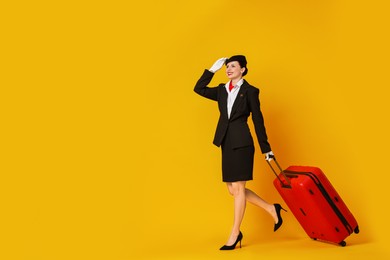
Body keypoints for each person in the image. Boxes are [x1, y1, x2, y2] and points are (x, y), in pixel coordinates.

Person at [193, 55, 286, 250]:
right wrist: (212, 69)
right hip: (226, 143)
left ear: (243, 69)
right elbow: (198, 89)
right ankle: (271, 208)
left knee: (239, 189)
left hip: (242, 143)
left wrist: (266, 148)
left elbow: (258, 121)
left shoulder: (250, 91)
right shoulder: (221, 91)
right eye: (227, 66)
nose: (228, 69)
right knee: (234, 190)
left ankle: (235, 233)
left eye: (233, 66)